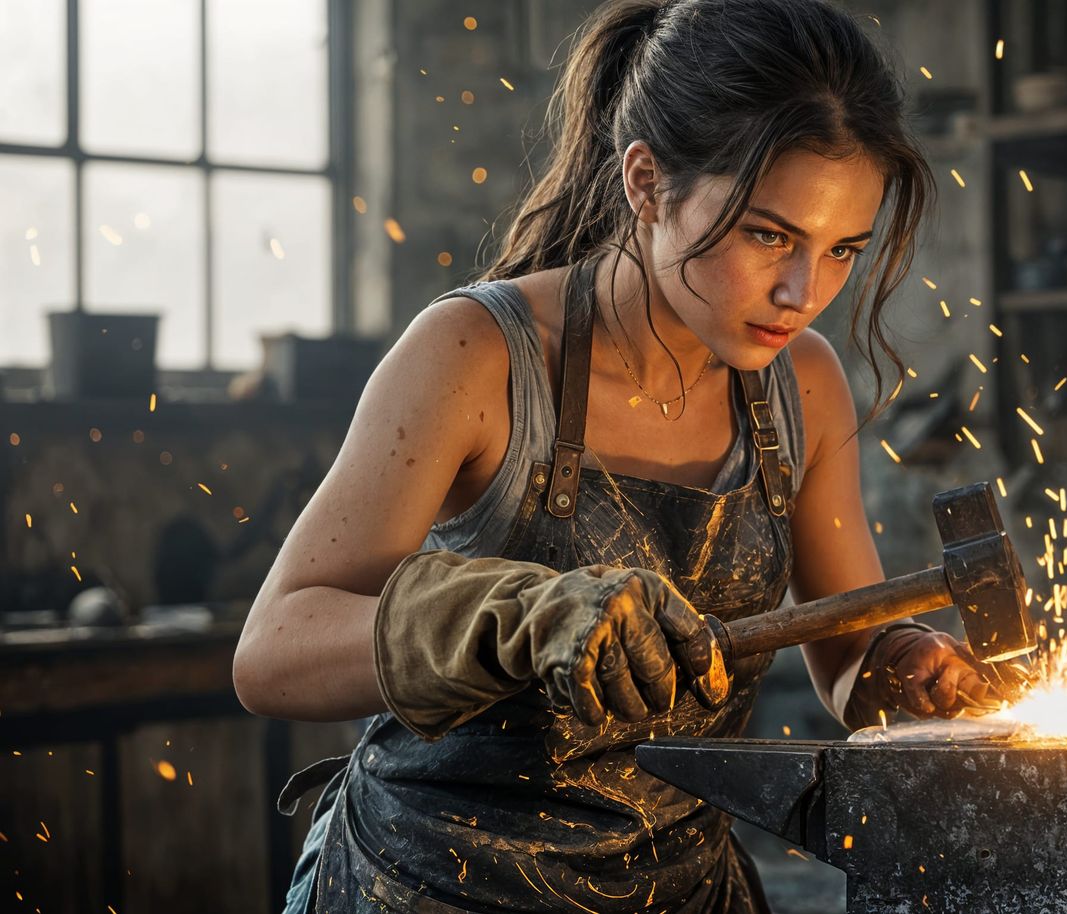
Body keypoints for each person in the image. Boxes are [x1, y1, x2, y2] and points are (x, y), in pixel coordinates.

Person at [231, 1, 993, 911]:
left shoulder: (804, 387)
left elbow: (844, 659)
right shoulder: (477, 354)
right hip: (428, 882)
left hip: (680, 888)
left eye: (842, 252)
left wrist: (902, 664)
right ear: (646, 183)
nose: (803, 292)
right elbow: (271, 654)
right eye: (768, 234)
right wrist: (522, 615)